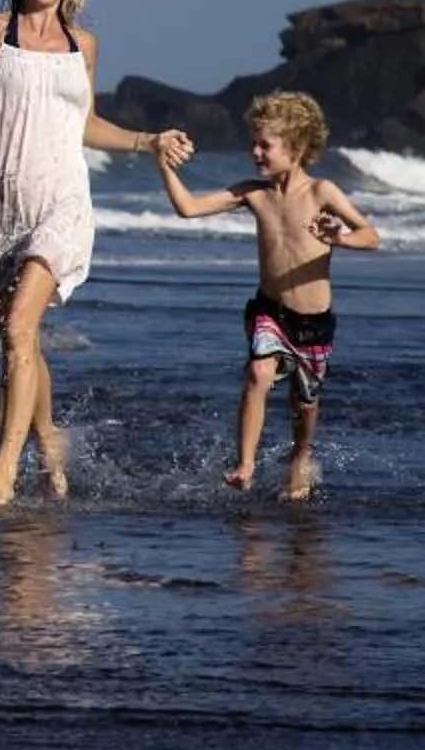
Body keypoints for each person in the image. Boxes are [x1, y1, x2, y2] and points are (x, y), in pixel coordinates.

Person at [0, 0, 191, 506]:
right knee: (20, 339)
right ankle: (49, 445)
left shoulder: (82, 45)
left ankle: (3, 473)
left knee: (20, 329)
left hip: (60, 201)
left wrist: (147, 141)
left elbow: (83, 124)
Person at [157, 89, 380, 499]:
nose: (255, 152)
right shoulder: (253, 193)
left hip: (313, 320)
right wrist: (164, 167)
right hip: (269, 311)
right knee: (259, 373)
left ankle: (300, 454)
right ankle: (245, 465)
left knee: (304, 402)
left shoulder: (322, 192)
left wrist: (340, 238)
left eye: (265, 145)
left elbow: (371, 236)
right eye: (253, 143)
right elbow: (188, 208)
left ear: (296, 147)